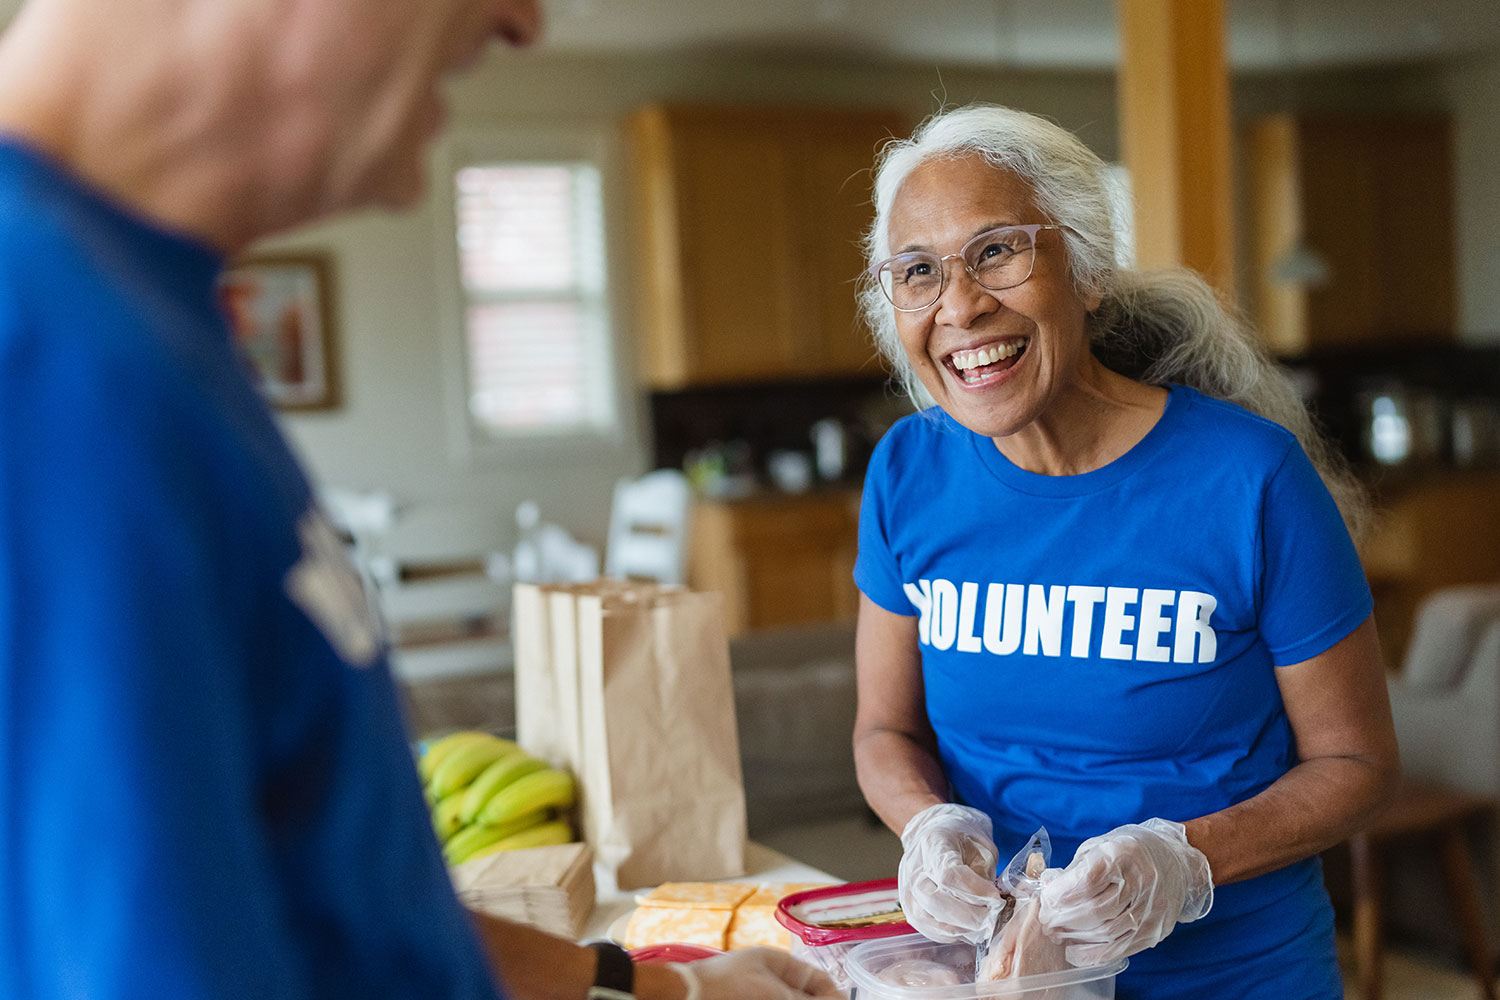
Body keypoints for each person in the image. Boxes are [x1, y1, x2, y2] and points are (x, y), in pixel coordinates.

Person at [0, 1, 839, 999]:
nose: (525, 21)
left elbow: (330, 886)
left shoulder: (138, 312)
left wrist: (656, 984)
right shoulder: (51, 359)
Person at [851, 103, 1400, 999]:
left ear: (1088, 268)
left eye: (997, 250)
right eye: (918, 271)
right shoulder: (907, 473)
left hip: (1236, 977)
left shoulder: (1248, 477)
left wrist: (1182, 860)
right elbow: (885, 731)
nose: (960, 304)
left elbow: (1361, 769)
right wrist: (928, 826)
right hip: (1008, 979)